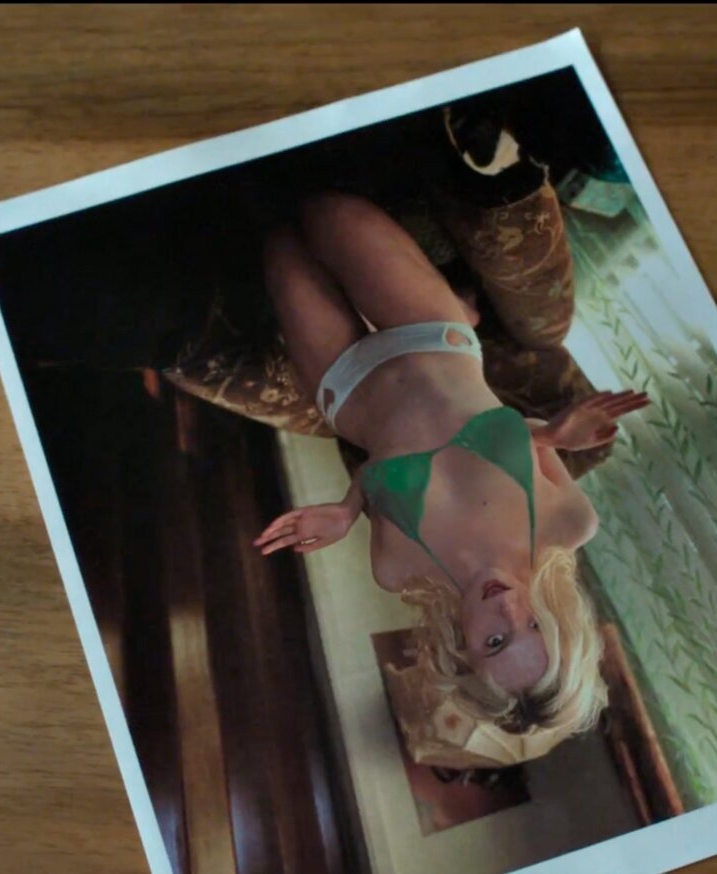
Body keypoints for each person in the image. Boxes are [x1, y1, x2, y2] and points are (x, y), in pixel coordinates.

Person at [249, 181, 650, 756]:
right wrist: (554, 435)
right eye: (535, 625)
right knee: (325, 206)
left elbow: (381, 471)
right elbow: (515, 434)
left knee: (275, 242)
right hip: (434, 334)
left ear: (463, 652)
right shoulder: (569, 523)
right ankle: (461, 305)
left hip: (345, 382)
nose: (507, 608)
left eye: (495, 640)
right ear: (560, 622)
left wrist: (346, 510)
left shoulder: (400, 570)